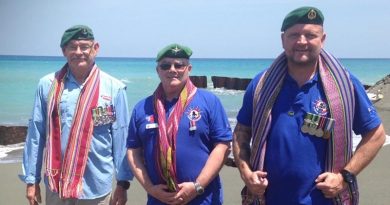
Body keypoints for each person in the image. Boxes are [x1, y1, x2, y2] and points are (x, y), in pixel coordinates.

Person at [233, 6, 386, 205]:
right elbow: (241, 132)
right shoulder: (261, 84)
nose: (301, 41)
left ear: (322, 40)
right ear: (282, 40)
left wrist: (344, 177)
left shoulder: (346, 85)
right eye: (294, 35)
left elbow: (376, 135)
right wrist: (246, 173)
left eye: (310, 35)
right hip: (268, 199)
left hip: (325, 200)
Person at [20, 25, 133, 205]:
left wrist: (122, 183)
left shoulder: (114, 89)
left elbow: (121, 139)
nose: (78, 52)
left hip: (96, 189)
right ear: (64, 51)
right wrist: (31, 180)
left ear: (95, 48)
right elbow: (36, 135)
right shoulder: (47, 85)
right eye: (73, 47)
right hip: (56, 186)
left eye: (84, 46)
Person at [127, 43, 232, 205]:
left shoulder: (209, 101)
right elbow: (133, 151)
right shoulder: (142, 108)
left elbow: (223, 146)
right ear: (158, 70)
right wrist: (150, 188)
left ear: (189, 69)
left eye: (179, 65)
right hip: (159, 200)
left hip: (203, 198)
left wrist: (198, 186)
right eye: (166, 65)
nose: (172, 69)